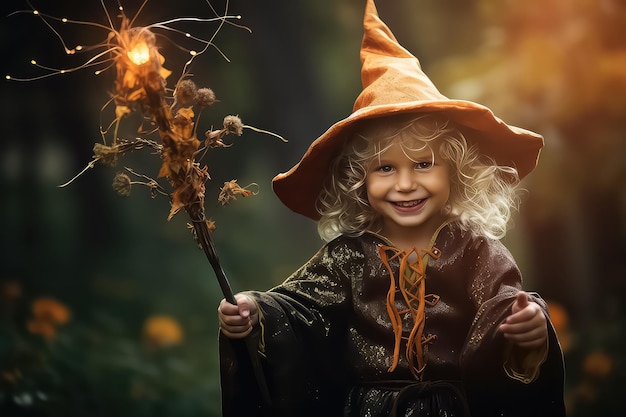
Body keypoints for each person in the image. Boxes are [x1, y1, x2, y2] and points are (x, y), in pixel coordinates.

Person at [217, 1, 566, 416]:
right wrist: (255, 313)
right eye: (385, 168)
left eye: (423, 164)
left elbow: (506, 308)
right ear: (358, 180)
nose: (404, 184)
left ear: (454, 171)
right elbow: (298, 313)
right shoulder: (347, 257)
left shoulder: (476, 251)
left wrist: (532, 330)